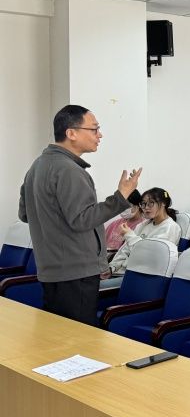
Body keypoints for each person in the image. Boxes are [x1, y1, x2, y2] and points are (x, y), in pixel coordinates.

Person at [18, 104, 142, 325]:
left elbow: (25, 214)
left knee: (57, 334)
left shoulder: (37, 166)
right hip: (76, 272)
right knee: (77, 339)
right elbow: (83, 219)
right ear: (71, 133)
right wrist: (121, 196)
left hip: (50, 270)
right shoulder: (69, 170)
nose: (100, 135)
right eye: (94, 129)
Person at [102, 187, 182, 288]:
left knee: (94, 288)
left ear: (163, 203)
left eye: (150, 203)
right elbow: (125, 250)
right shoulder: (143, 225)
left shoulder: (170, 228)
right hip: (122, 272)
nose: (146, 208)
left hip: (142, 276)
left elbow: (148, 256)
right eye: (143, 204)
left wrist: (129, 235)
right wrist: (112, 268)